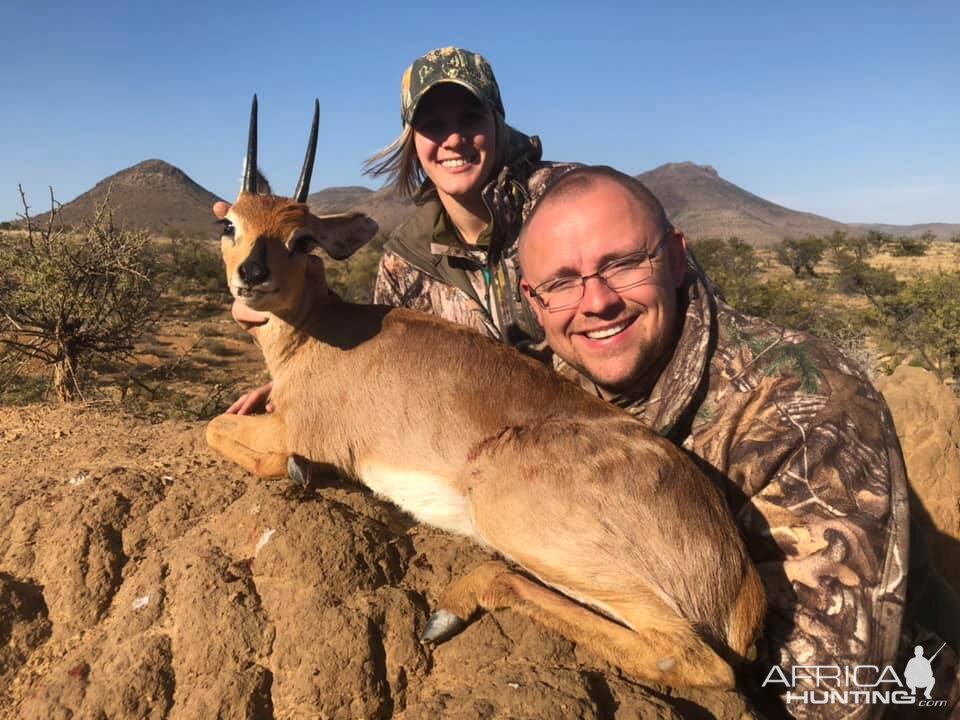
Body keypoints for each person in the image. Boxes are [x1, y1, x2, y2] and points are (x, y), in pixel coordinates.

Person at [514, 164, 960, 719]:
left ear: (676, 259)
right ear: (535, 302)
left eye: (623, 264)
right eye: (561, 282)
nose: (596, 301)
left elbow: (828, 690)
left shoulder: (808, 400)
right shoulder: (531, 390)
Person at [226, 46, 569, 414]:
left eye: (470, 118)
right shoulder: (402, 261)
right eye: (433, 125)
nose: (453, 139)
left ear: (497, 122)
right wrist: (301, 383)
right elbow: (388, 367)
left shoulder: (566, 203)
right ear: (412, 140)